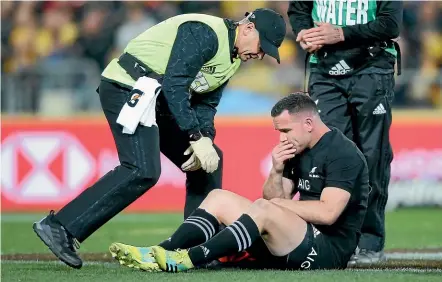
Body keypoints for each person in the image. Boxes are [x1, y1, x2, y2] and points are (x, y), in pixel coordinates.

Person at [32, 8, 287, 269]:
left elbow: (205, 105)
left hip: (157, 99)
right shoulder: (205, 32)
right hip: (127, 86)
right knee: (141, 169)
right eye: (261, 46)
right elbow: (175, 84)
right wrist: (195, 136)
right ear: (247, 29)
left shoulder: (232, 60)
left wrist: (206, 139)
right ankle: (59, 226)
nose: (259, 54)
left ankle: (193, 250)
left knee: (210, 163)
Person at [108, 92, 370, 272]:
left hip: (327, 251)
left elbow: (328, 213)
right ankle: (159, 252)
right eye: (279, 132)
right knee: (219, 197)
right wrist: (276, 170)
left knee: (265, 209)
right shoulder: (295, 149)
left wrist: (276, 205)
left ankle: (189, 258)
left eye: (286, 130)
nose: (281, 138)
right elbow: (272, 201)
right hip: (294, 238)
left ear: (309, 123)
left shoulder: (343, 153)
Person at [287, 0, 403, 265]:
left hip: (372, 66)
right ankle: (324, 235)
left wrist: (340, 33)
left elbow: (390, 23)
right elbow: (298, 9)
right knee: (327, 153)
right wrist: (304, 33)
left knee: (373, 155)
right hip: (324, 69)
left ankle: (370, 240)